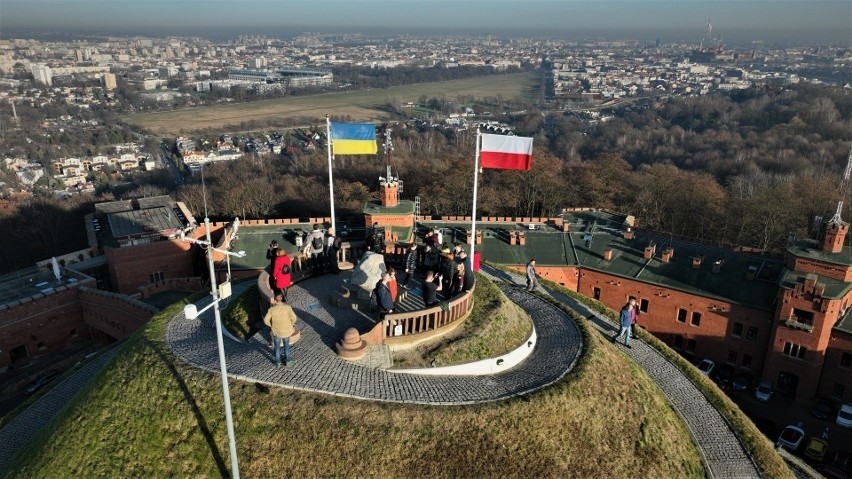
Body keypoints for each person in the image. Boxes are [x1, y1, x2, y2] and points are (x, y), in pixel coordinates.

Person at [263, 294, 298, 366]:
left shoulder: (271, 310)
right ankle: (288, 361)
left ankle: (278, 362)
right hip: (287, 330)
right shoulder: (288, 308)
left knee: (277, 346)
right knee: (286, 345)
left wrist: (271, 326)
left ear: (275, 300)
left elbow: (266, 320)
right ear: (281, 298)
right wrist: (291, 324)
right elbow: (294, 318)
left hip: (276, 331)